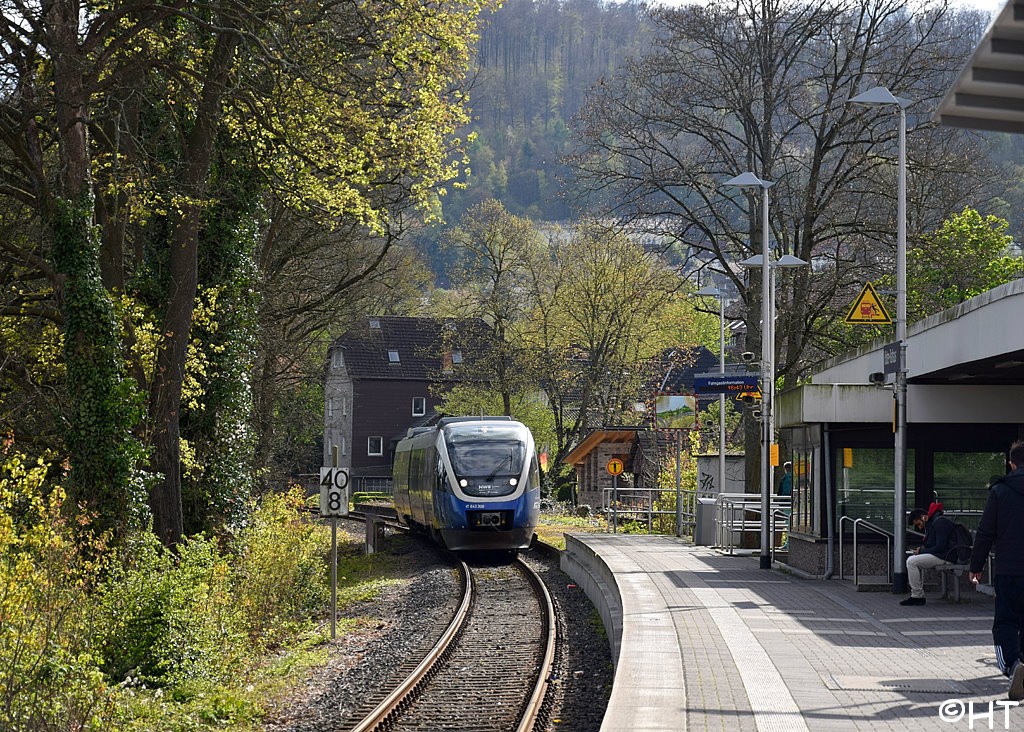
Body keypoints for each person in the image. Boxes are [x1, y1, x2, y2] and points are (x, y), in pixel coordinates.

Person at [969, 440, 1024, 701]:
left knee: (1005, 622)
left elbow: (985, 531)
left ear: (1012, 464)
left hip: (1010, 570)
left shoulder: (1000, 491)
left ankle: (1013, 666)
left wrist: (975, 566)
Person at [900, 501, 954, 607]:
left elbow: (940, 547)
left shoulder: (939, 523)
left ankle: (917, 596)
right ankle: (917, 595)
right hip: (945, 554)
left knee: (911, 562)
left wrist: (921, 551)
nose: (920, 527)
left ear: (923, 517)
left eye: (918, 524)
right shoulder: (934, 523)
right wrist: (922, 550)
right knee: (914, 561)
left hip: (946, 556)